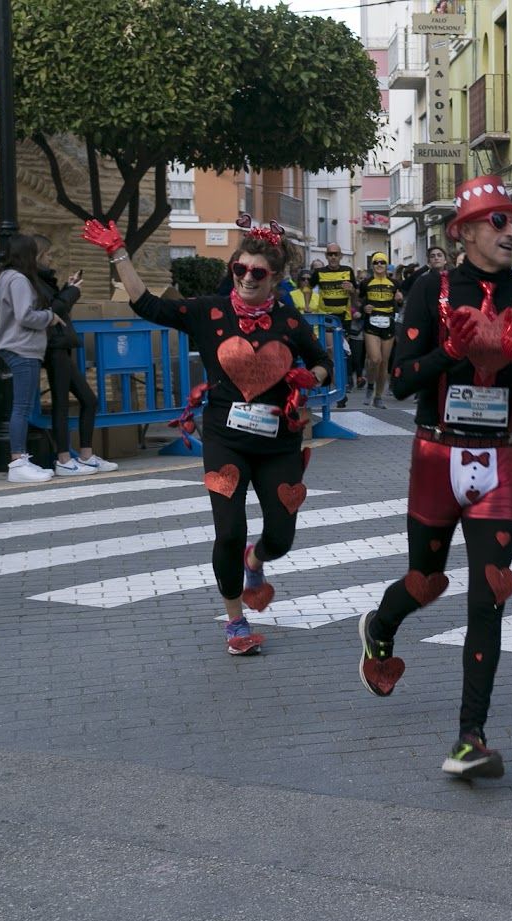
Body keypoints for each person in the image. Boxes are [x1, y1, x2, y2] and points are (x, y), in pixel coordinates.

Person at [355, 174, 512, 780]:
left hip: (499, 460)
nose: (511, 231)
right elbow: (403, 381)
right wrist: (454, 350)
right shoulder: (431, 289)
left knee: (489, 594)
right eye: (497, 221)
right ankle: (380, 624)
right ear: (464, 231)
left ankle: (470, 736)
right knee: (426, 580)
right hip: (436, 457)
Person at [82, 217, 331, 655]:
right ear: (232, 268)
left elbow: (321, 359)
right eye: (240, 269)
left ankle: (256, 562)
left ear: (274, 277)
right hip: (226, 439)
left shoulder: (290, 322)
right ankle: (235, 622)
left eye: (258, 273)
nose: (247, 278)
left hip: (279, 444)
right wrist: (119, 253)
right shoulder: (209, 313)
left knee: (281, 536)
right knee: (229, 531)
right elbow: (147, 305)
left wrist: (309, 377)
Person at [34, 236, 117, 477]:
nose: (50, 259)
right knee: (67, 401)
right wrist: (72, 291)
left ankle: (85, 455)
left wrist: (68, 289)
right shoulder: (35, 282)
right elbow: (53, 310)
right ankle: (65, 458)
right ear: (38, 257)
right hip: (54, 346)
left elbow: (57, 307)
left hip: (60, 344)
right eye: (47, 255)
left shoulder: (44, 281)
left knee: (85, 400)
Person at [0, 235, 64, 484]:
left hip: (16, 346)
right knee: (22, 407)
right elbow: (25, 316)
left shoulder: (7, 277)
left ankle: (21, 461)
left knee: (22, 406)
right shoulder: (20, 280)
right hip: (23, 347)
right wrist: (49, 316)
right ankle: (18, 462)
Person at [313, 243, 358, 407]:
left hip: (343, 319)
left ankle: (339, 389)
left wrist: (352, 289)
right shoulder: (319, 273)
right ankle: (339, 390)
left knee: (340, 355)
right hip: (325, 320)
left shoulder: (348, 271)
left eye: (336, 254)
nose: (333, 257)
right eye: (330, 254)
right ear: (326, 256)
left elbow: (356, 298)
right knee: (333, 354)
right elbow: (307, 289)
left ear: (340, 256)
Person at [359, 252, 398, 408]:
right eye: (376, 262)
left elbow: (398, 303)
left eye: (382, 262)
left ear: (386, 264)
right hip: (371, 324)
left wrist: (399, 301)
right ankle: (369, 385)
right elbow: (358, 301)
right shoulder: (366, 283)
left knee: (384, 362)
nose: (379, 265)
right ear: (372, 265)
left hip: (388, 324)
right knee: (375, 359)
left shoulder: (394, 283)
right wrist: (363, 308)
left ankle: (378, 396)